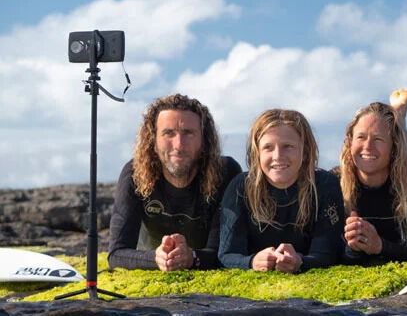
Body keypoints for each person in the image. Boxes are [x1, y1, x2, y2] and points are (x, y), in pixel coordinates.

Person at [108, 94, 242, 271]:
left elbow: (225, 253)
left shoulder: (225, 172)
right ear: (153, 141)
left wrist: (192, 257)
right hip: (152, 263)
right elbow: (117, 254)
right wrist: (155, 258)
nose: (179, 145)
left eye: (188, 133)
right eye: (168, 133)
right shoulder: (135, 173)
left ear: (204, 141)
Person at [218, 109, 344, 273]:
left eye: (288, 146)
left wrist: (299, 261)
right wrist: (252, 261)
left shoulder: (324, 185)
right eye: (268, 147)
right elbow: (227, 254)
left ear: (305, 152)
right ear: (257, 153)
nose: (278, 156)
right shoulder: (241, 187)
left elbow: (327, 253)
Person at [339, 89, 407, 264]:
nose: (367, 146)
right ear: (349, 142)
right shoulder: (334, 184)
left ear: (393, 146)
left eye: (378, 139)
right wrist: (354, 246)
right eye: (361, 137)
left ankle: (399, 116)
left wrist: (379, 245)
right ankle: (398, 114)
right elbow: (326, 251)